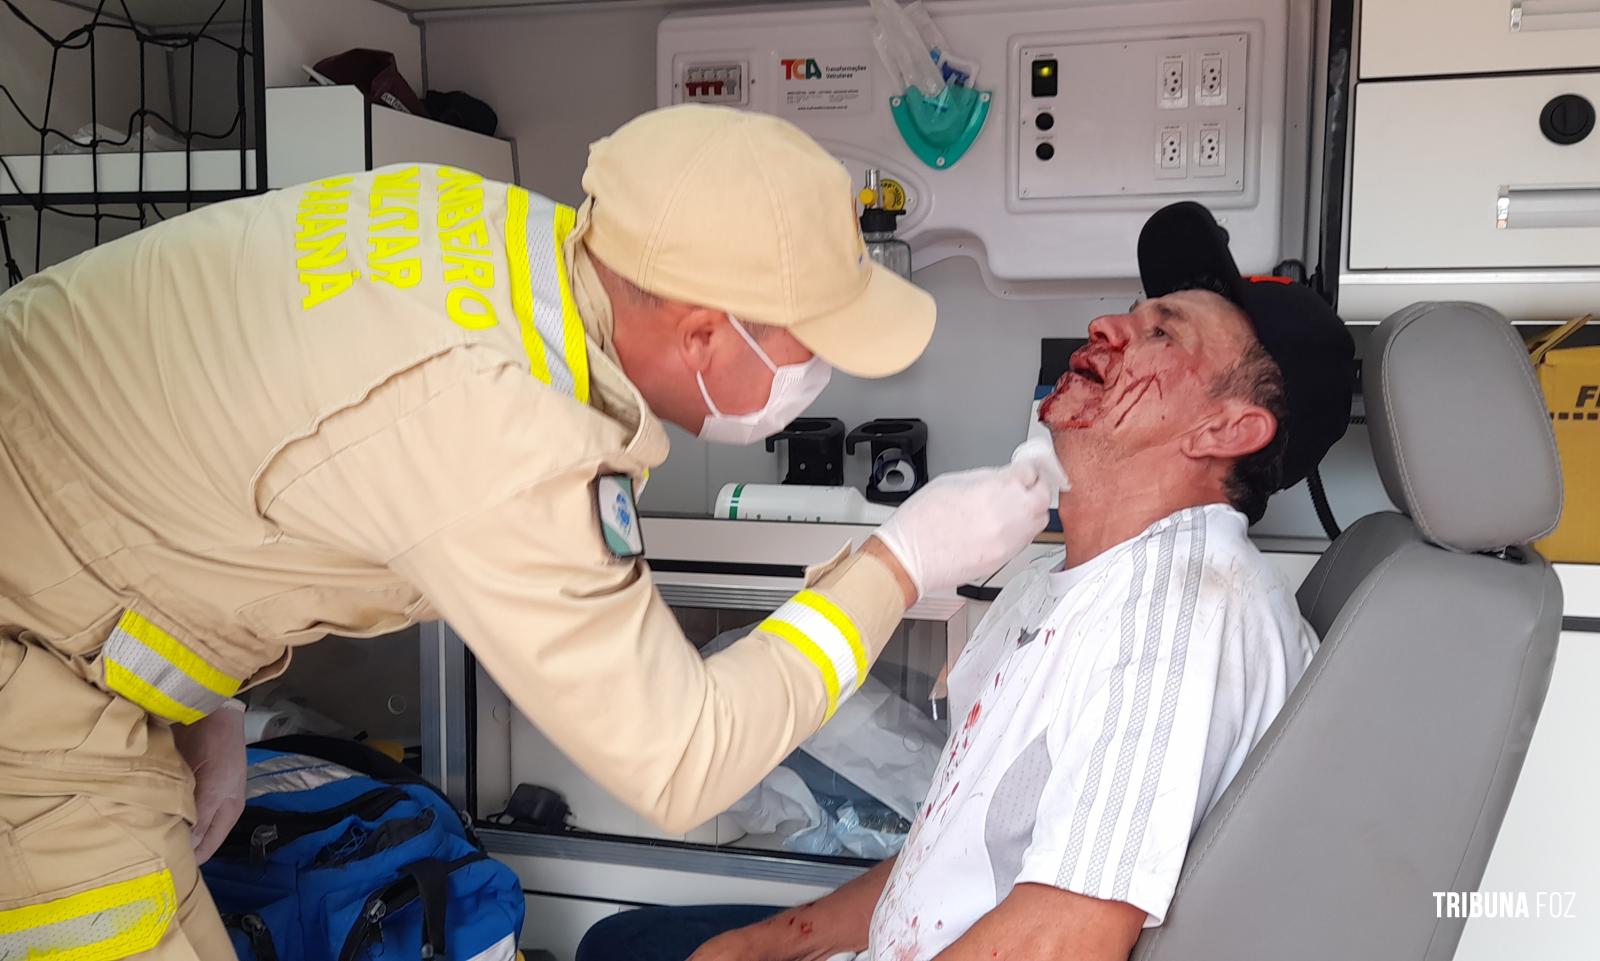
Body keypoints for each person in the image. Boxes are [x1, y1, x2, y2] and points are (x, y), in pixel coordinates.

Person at [0, 104, 1058, 959]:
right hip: (31, 689)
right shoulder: (503, 420)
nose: (818, 377)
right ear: (701, 329)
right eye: (811, 344)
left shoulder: (485, 229)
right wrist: (899, 560)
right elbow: (683, 759)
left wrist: (205, 699)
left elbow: (211, 451)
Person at [575, 201, 1355, 961]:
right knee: (620, 942)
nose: (1107, 327)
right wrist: (772, 941)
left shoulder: (1181, 613)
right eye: (1131, 311)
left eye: (1161, 332)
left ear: (1230, 428)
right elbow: (951, 849)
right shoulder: (1060, 579)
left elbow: (1063, 940)